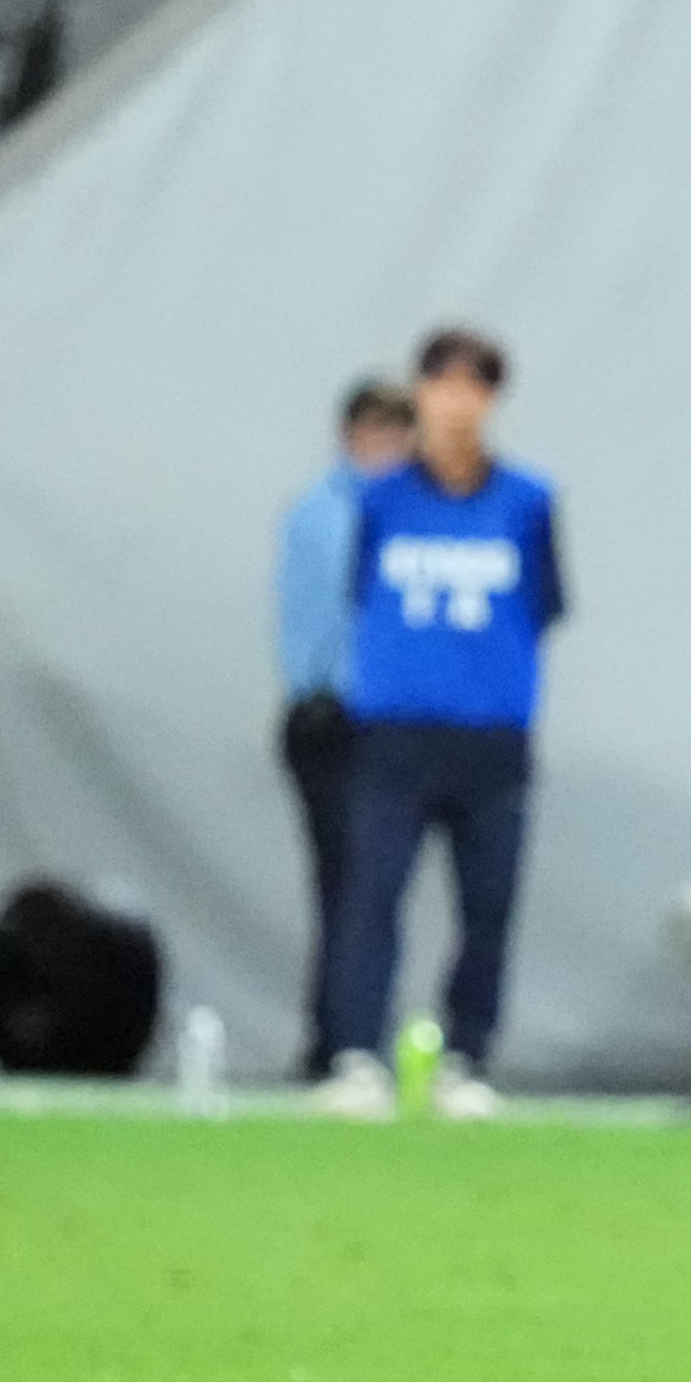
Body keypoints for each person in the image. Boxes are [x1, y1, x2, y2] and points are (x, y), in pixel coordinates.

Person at [313, 329, 565, 1123]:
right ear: (420, 394)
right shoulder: (382, 499)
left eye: (473, 387)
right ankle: (357, 1057)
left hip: (490, 740)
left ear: (492, 400)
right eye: (442, 385)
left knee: (487, 906)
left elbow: (544, 605)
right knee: (371, 899)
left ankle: (467, 1059)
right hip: (394, 737)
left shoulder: (527, 502)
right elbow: (363, 593)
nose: (456, 403)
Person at [275, 378, 415, 1080]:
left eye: (397, 434)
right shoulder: (331, 513)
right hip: (334, 719)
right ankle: (341, 1039)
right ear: (350, 435)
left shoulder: (394, 512)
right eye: (375, 432)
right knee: (351, 884)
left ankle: (343, 1034)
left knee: (361, 886)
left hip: (378, 721)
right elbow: (346, 619)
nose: (385, 447)